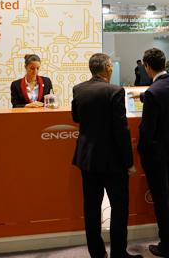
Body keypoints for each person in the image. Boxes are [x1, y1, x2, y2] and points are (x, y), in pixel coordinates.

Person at [71, 53, 140, 258]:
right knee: (119, 208)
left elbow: (75, 117)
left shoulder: (78, 89)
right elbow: (121, 130)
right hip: (113, 161)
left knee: (92, 209)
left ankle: (97, 254)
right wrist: (129, 162)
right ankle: (119, 253)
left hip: (87, 159)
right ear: (108, 67)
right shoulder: (115, 91)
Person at [130, 48, 169, 258]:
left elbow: (147, 129)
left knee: (160, 198)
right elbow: (162, 96)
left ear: (147, 66)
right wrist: (143, 95)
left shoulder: (154, 92)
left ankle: (167, 246)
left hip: (157, 153)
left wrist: (141, 150)